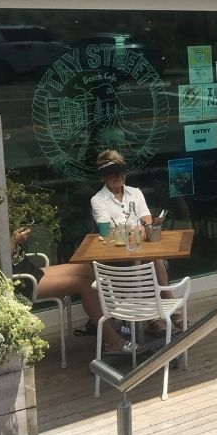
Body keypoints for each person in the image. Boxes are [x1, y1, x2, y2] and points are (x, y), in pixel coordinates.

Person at [12, 227, 143, 356]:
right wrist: (13, 240)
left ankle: (108, 326)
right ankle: (112, 341)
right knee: (84, 284)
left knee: (86, 268)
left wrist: (16, 240)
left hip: (30, 270)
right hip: (23, 281)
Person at [90, 150, 173, 334]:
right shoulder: (98, 200)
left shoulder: (135, 193)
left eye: (121, 172)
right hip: (116, 255)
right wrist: (136, 229)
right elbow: (108, 231)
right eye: (113, 173)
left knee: (152, 257)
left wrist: (128, 229)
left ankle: (156, 314)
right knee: (152, 259)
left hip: (140, 249)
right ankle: (161, 311)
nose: (118, 176)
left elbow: (148, 222)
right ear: (104, 176)